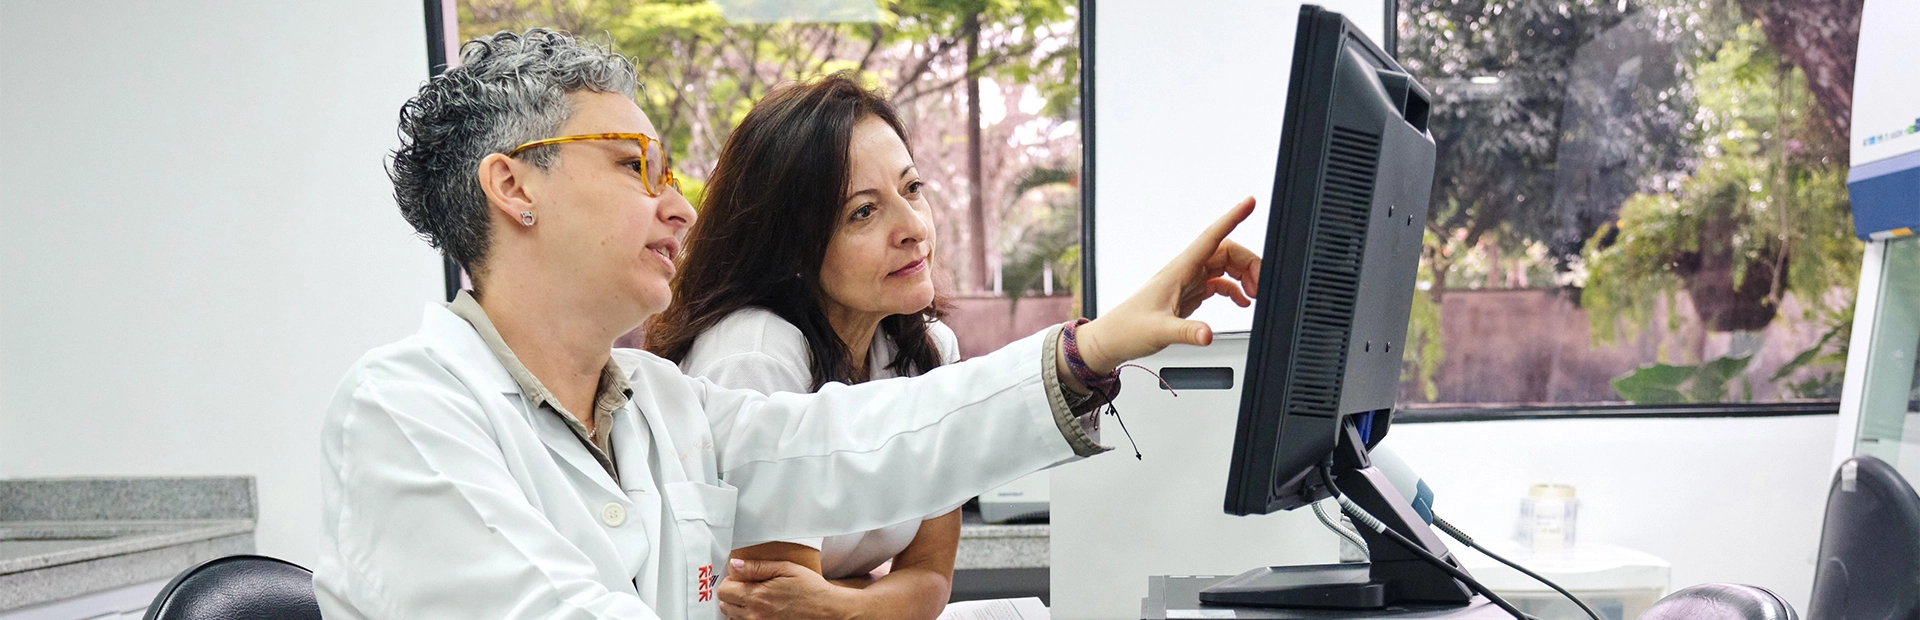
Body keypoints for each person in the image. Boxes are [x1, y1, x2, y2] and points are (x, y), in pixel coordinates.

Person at [316, 29, 1260, 620]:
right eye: (633, 166)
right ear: (514, 186)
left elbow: (880, 440)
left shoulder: (663, 406)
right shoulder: (406, 413)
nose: (678, 206)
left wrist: (1095, 347)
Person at [645, 74, 963, 619]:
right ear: (791, 243)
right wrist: (872, 596)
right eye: (863, 212)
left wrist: (842, 602)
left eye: (911, 188)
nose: (914, 227)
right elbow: (777, 608)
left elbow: (931, 579)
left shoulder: (929, 348)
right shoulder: (755, 353)